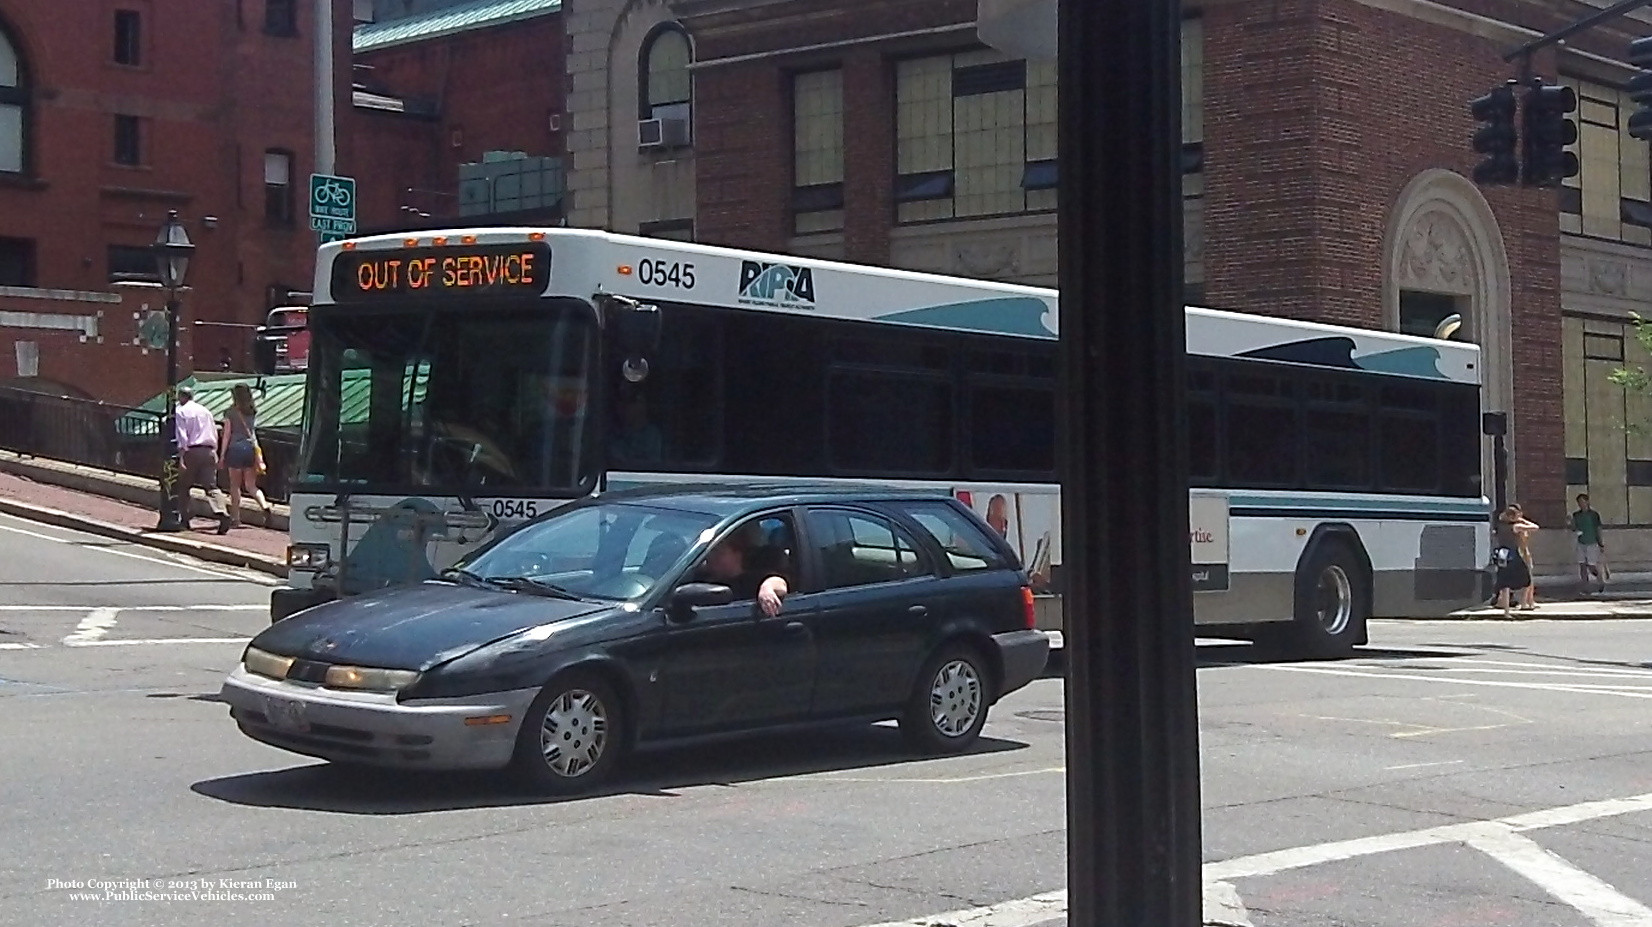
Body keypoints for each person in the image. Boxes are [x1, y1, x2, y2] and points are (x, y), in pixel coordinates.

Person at [171, 386, 233, 535]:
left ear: (181, 397)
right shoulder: (205, 411)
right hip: (208, 450)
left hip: (191, 451)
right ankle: (221, 510)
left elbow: (182, 435)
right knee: (211, 486)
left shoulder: (180, 411)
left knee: (183, 486)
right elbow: (213, 432)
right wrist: (215, 452)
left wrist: (181, 457)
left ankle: (185, 517)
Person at [694, 522, 789, 617]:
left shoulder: (750, 580)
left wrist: (767, 588)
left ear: (737, 552)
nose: (710, 557)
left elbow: (779, 582)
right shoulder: (700, 575)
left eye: (717, 552)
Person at [219, 382, 271, 527]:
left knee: (234, 486)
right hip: (249, 448)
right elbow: (253, 432)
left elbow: (227, 434)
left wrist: (222, 455)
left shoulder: (230, 412)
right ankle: (264, 505)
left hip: (235, 449)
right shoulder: (252, 411)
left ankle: (235, 518)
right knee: (251, 485)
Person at [1490, 504, 1537, 616]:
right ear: (1513, 517)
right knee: (1526, 578)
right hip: (1513, 554)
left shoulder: (1500, 526)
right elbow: (1535, 527)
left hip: (1502, 555)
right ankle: (1523, 602)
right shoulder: (1515, 527)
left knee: (1504, 583)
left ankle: (1506, 612)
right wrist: (1522, 520)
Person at [1569, 493, 1608, 594]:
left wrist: (1601, 542)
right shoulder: (1576, 515)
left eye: (1583, 502)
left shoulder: (1593, 515)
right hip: (1581, 541)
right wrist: (1570, 522)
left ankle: (1600, 579)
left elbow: (1598, 528)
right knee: (1582, 565)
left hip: (1592, 542)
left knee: (1591, 566)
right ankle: (1585, 586)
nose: (1581, 504)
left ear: (1587, 502)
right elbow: (1574, 528)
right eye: (1579, 502)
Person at [611, 391, 662, 465]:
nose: (623, 408)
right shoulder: (615, 435)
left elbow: (651, 463)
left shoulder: (652, 435)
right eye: (622, 403)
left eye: (629, 403)